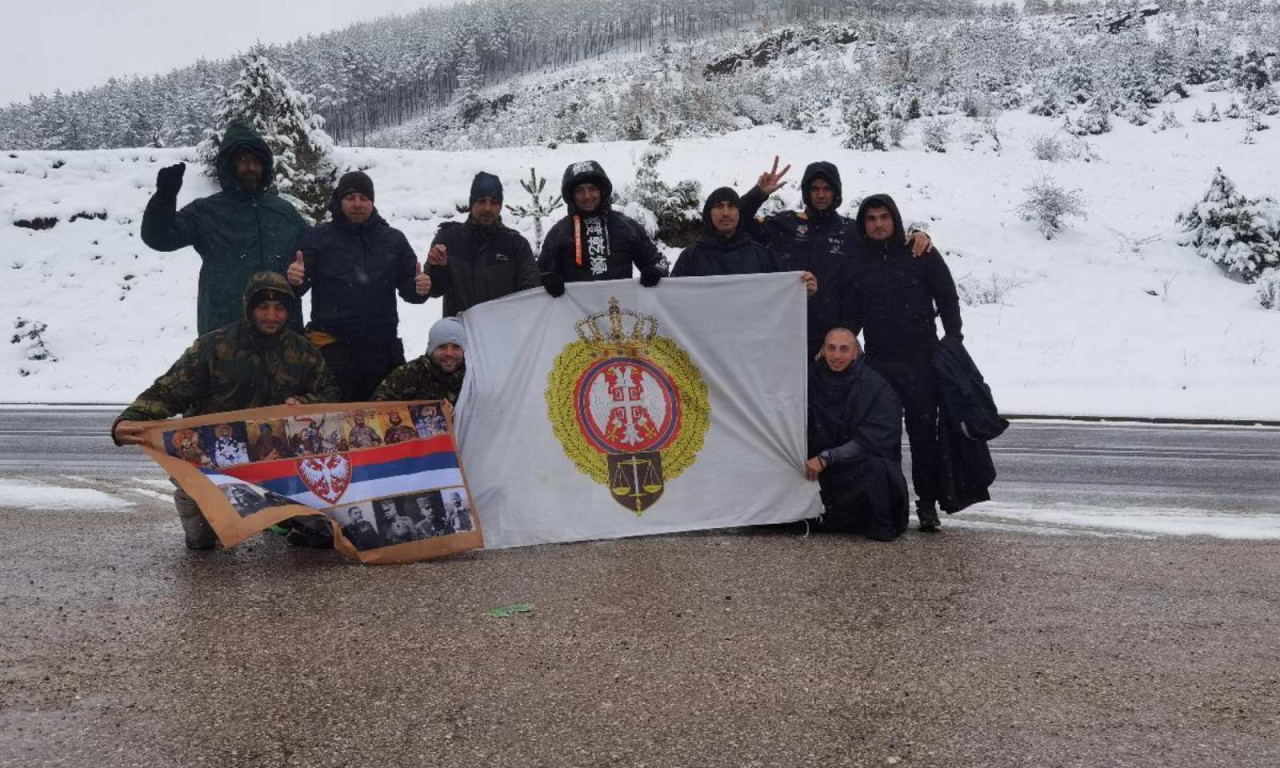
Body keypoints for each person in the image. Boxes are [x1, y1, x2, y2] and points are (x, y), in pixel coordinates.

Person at [111, 273, 340, 550]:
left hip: (278, 458)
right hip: (217, 456)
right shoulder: (214, 347)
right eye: (263, 308)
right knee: (203, 541)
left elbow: (331, 394)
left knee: (321, 536)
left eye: (279, 308)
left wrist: (306, 401)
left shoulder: (303, 351)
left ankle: (288, 518)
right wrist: (131, 419)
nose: (271, 316)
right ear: (248, 308)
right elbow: (169, 391)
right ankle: (198, 502)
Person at [847, 194, 962, 532]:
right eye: (871, 219)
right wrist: (838, 341)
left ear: (895, 219)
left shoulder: (920, 252)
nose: (879, 224)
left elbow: (947, 295)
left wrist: (953, 337)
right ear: (863, 225)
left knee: (925, 436)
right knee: (883, 438)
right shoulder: (857, 263)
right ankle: (890, 503)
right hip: (879, 363)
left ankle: (927, 505)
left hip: (921, 362)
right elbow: (851, 314)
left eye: (884, 217)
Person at [738, 157, 932, 358]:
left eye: (827, 188)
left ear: (836, 192)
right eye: (814, 188)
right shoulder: (786, 223)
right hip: (784, 335)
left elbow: (886, 242)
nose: (821, 194)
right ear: (807, 192)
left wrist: (918, 235)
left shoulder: (852, 231)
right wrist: (757, 194)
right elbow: (737, 224)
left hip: (833, 342)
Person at [142, 123, 307, 335]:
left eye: (256, 161)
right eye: (242, 160)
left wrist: (301, 277)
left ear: (265, 166)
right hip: (224, 332)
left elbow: (310, 260)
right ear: (229, 165)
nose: (250, 167)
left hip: (282, 332)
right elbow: (159, 237)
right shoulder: (206, 212)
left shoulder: (284, 212)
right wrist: (164, 199)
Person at [289, 171, 431, 401]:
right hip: (332, 351)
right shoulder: (318, 237)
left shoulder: (393, 239)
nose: (357, 204)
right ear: (339, 200)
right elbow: (297, 287)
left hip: (381, 350)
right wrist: (294, 279)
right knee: (336, 424)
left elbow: (410, 289)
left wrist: (419, 288)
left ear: (372, 202)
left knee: (385, 423)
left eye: (364, 198)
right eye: (350, 197)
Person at [805, 328, 910, 541]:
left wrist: (827, 458)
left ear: (856, 352)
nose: (836, 356)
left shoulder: (874, 386)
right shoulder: (807, 378)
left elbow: (872, 439)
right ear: (822, 350)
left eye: (844, 349)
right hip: (811, 465)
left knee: (878, 471)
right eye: (831, 348)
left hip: (850, 465)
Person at [537, 160, 667, 296]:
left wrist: (656, 271)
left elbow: (660, 262)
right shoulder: (560, 232)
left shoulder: (626, 226)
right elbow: (539, 273)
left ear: (602, 191)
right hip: (576, 315)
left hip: (620, 311)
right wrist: (547, 280)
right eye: (579, 191)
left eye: (592, 189)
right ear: (571, 195)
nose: (587, 196)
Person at [426, 172, 540, 317]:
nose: (488, 208)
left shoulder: (516, 244)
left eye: (494, 202)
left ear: (500, 206)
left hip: (503, 333)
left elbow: (531, 293)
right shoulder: (449, 238)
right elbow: (434, 290)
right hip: (460, 334)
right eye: (481, 201)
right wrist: (438, 268)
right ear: (471, 203)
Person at [671, 187, 818, 296]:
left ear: (739, 213)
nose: (726, 213)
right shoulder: (690, 257)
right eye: (719, 206)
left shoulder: (763, 256)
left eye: (732, 206)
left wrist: (803, 288)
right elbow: (672, 298)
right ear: (709, 213)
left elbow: (787, 291)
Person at [372, 317, 467, 404]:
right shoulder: (409, 374)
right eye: (442, 347)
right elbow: (377, 405)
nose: (449, 353)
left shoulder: (472, 376)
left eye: (456, 347)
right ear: (431, 350)